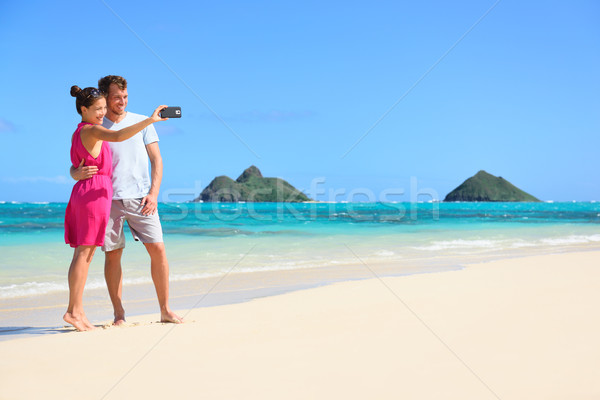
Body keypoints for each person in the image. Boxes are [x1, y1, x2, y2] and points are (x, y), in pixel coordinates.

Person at [71, 75, 183, 325]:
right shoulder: (96, 123)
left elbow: (157, 160)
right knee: (113, 255)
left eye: (125, 97)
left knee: (158, 249)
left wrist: (154, 193)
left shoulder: (140, 122)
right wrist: (74, 173)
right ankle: (119, 314)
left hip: (141, 197)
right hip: (106, 200)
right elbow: (79, 160)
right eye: (115, 98)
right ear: (104, 98)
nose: (121, 101)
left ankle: (165, 310)